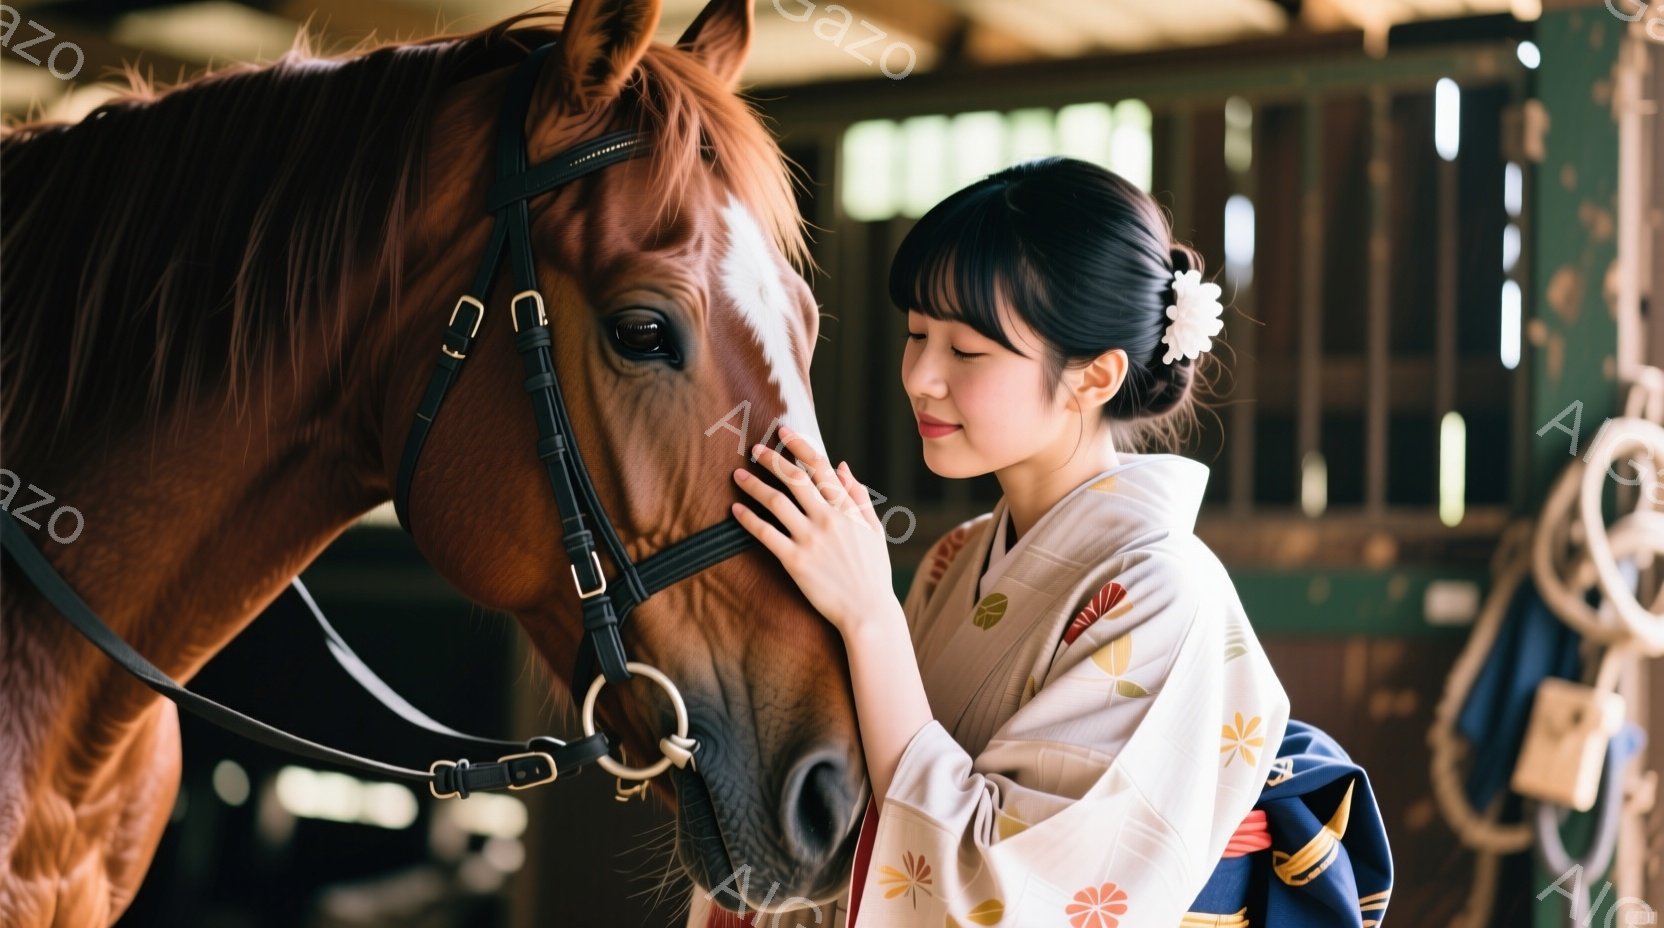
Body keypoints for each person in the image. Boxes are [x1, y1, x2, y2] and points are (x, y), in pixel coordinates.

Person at [708, 156, 1290, 928]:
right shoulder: (956, 558)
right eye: (917, 333)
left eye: (967, 350)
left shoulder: (1165, 591)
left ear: (1093, 377)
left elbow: (1012, 898)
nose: (921, 376)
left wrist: (871, 617)